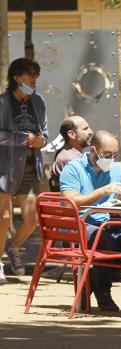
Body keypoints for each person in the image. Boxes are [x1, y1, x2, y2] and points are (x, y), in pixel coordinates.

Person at [60, 130, 121, 311]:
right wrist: (103, 191)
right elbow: (71, 202)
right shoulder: (73, 168)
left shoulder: (115, 170)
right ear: (93, 150)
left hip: (107, 222)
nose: (110, 159)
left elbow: (114, 205)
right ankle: (103, 293)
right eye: (107, 155)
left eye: (114, 155)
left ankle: (90, 282)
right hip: (79, 224)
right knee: (106, 242)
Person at [0, 58, 48, 284]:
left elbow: (44, 134)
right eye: (31, 75)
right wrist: (21, 139)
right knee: (4, 218)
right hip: (4, 168)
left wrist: (41, 142)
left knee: (31, 219)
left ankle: (12, 248)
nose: (34, 79)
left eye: (36, 75)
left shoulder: (38, 102)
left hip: (30, 167)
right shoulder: (2, 103)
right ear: (17, 77)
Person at [49, 115, 93, 191]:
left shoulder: (71, 154)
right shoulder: (69, 158)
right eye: (85, 129)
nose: (91, 132)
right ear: (72, 134)